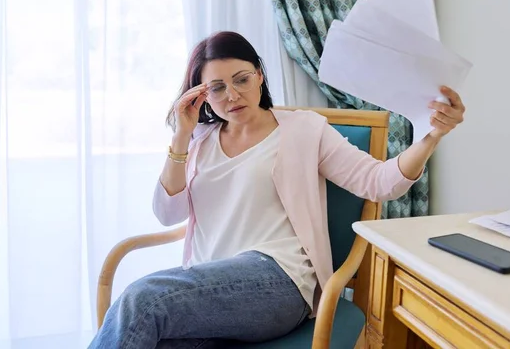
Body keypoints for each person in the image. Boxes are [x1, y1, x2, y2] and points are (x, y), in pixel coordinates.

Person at [89, 31, 466, 348]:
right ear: (201, 95)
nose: (232, 95)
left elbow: (380, 182)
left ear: (259, 76)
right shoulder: (199, 140)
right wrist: (182, 134)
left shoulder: (303, 129)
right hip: (210, 286)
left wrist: (431, 136)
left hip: (278, 282)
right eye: (217, 88)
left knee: (142, 299)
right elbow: (167, 213)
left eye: (241, 79)